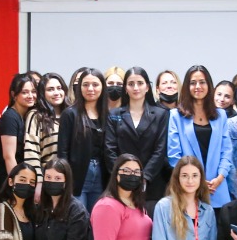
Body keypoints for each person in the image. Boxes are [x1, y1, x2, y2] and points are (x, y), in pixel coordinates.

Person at [167, 65, 234, 206]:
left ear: (209, 85)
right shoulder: (176, 115)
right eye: (193, 83)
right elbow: (174, 156)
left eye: (202, 82)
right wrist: (196, 181)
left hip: (217, 188)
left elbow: (226, 150)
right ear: (187, 86)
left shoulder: (221, 115)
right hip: (188, 188)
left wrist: (220, 177)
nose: (198, 86)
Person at [105, 67, 170, 201]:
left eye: (140, 83)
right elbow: (109, 149)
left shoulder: (161, 114)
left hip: (152, 183)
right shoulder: (114, 114)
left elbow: (160, 150)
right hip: (121, 182)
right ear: (125, 88)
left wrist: (144, 177)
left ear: (147, 87)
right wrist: (122, 175)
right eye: (131, 84)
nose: (135, 88)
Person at [59, 68, 111, 212]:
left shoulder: (108, 115)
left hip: (102, 174)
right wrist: (65, 178)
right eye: (85, 85)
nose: (90, 89)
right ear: (79, 87)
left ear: (102, 87)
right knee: (79, 215)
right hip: (77, 174)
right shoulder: (70, 114)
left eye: (95, 85)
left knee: (97, 216)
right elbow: (63, 151)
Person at [23, 73, 67, 172]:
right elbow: (31, 152)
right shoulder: (36, 116)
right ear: (42, 93)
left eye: (59, 88)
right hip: (47, 176)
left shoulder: (71, 114)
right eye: (50, 89)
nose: (56, 93)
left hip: (72, 176)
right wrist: (37, 178)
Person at [0, 74, 37, 177]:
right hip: (10, 177)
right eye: (24, 92)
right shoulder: (10, 117)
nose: (30, 96)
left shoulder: (28, 115)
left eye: (33, 91)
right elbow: (9, 156)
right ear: (14, 95)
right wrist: (16, 181)